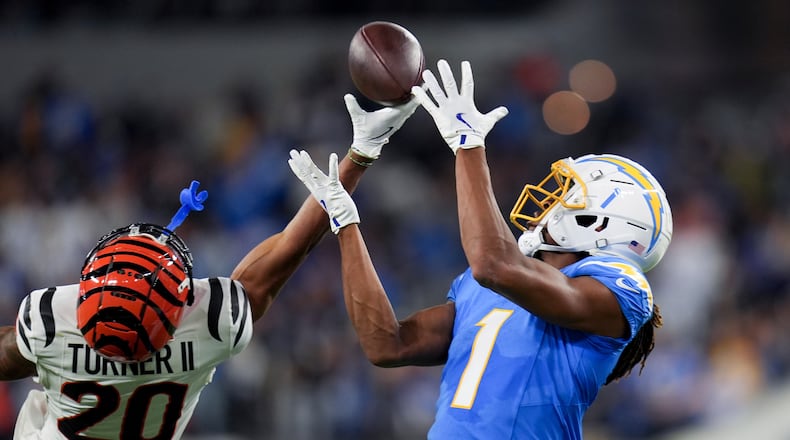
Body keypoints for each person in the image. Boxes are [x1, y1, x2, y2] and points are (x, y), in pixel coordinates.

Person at [288, 59, 673, 439]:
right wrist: (346, 225)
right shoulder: (488, 284)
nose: (551, 201)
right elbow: (387, 344)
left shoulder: (623, 288)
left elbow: (493, 264)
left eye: (568, 194)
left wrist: (468, 145)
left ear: (602, 222)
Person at [0, 92, 419, 440]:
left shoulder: (49, 320)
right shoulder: (211, 322)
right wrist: (360, 155)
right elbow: (286, 254)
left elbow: (8, 354)